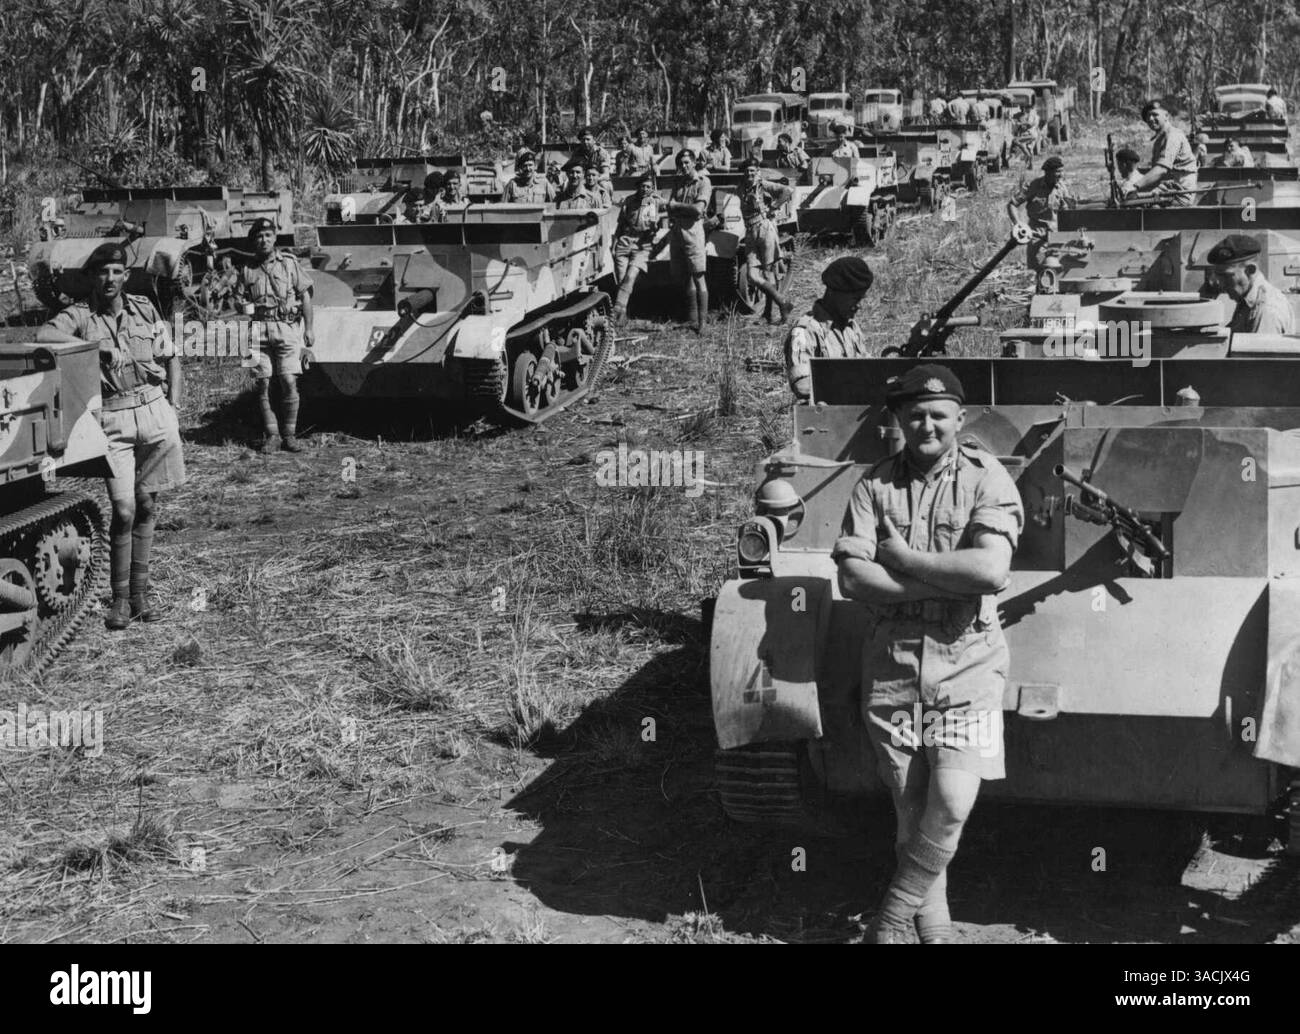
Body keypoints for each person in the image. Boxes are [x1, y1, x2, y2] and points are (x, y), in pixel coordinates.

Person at [832, 362, 1023, 945]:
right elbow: (852, 579)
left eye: (939, 415)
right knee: (910, 805)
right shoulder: (874, 484)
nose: (927, 425)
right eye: (914, 415)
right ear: (897, 420)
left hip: (969, 656)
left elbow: (990, 569)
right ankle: (934, 929)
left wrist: (907, 562)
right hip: (893, 660)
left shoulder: (987, 477)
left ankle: (889, 920)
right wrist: (944, 580)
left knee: (952, 798)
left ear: (959, 420)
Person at [37, 241, 185, 630]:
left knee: (148, 506)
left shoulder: (144, 308)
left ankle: (139, 594)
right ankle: (118, 599)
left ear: (125, 276)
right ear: (91, 277)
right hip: (114, 418)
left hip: (154, 410)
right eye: (102, 272)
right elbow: (45, 335)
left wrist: (175, 407)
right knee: (123, 510)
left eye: (117, 272)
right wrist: (96, 346)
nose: (110, 279)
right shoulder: (80, 316)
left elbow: (171, 357)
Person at [233, 218, 314, 453]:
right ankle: (272, 435)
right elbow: (239, 298)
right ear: (254, 240)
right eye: (259, 236)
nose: (264, 240)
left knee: (289, 380)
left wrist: (308, 328)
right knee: (263, 383)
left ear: (275, 238)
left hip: (286, 328)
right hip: (258, 329)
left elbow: (305, 295)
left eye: (268, 235)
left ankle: (290, 435)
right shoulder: (247, 269)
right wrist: (240, 305)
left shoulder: (288, 263)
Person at [784, 256, 873, 400]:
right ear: (834, 293)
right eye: (855, 299)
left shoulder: (850, 326)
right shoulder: (806, 331)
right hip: (824, 417)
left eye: (861, 299)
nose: (859, 306)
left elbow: (866, 366)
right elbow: (802, 386)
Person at [737, 160, 794, 325]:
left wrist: (773, 207)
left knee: (768, 273)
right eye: (747, 171)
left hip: (764, 228)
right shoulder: (741, 188)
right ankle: (782, 302)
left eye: (753, 171)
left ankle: (768, 314)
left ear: (757, 171)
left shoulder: (763, 185)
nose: (749, 174)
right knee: (752, 275)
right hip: (750, 231)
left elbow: (787, 190)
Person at [1206, 234, 1295, 336]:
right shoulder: (1248, 299)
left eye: (1226, 276)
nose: (1221, 284)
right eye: (1219, 276)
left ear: (1250, 270)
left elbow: (1259, 351)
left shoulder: (1267, 311)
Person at [611, 171, 667, 324]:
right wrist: (615, 242)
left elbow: (670, 207)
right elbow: (621, 223)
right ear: (637, 187)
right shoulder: (629, 201)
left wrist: (659, 204)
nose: (645, 189)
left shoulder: (655, 201)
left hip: (644, 244)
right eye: (642, 186)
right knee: (621, 280)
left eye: (648, 187)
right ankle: (623, 317)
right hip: (625, 241)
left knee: (630, 277)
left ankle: (616, 314)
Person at [667, 148, 712, 334]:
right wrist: (676, 208)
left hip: (693, 232)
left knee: (698, 276)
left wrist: (677, 206)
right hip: (677, 231)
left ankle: (702, 324)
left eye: (687, 163)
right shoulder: (678, 182)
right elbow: (669, 209)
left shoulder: (703, 182)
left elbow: (698, 210)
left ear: (694, 162)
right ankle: (691, 317)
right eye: (680, 163)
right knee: (682, 275)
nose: (684, 166)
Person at [1006, 155, 1075, 269]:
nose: (1061, 175)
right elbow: (1012, 204)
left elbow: (1067, 211)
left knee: (1057, 271)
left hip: (1055, 237)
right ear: (1048, 172)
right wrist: (1018, 224)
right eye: (1057, 172)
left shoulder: (1061, 187)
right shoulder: (1033, 186)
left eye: (1062, 172)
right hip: (1036, 236)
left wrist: (1068, 205)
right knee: (1036, 271)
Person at [1130, 100, 1197, 206]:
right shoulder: (1160, 139)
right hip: (1169, 190)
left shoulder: (1172, 136)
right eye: (1148, 116)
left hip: (1180, 195)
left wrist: (1135, 186)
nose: (1150, 119)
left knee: (1138, 209)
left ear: (1166, 116)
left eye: (1155, 114)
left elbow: (1161, 170)